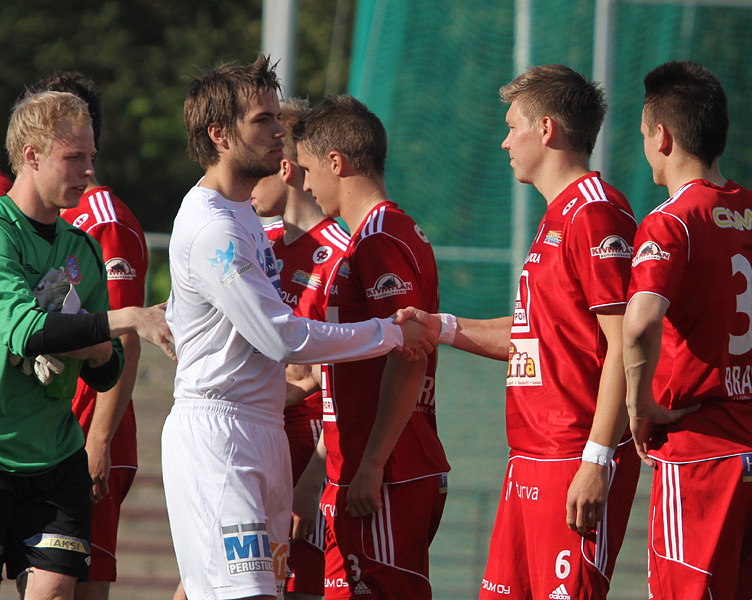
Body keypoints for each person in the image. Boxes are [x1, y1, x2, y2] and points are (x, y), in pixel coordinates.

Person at [162, 57, 436, 600]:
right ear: (219, 134)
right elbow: (282, 337)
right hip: (222, 437)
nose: (280, 131)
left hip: (262, 429)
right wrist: (390, 332)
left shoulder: (241, 213)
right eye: (262, 120)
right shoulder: (215, 226)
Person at [399, 64, 641, 600]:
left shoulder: (597, 214)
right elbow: (534, 335)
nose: (505, 140)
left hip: (572, 456)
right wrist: (440, 327)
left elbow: (627, 344)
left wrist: (597, 459)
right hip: (528, 455)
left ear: (548, 129)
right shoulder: (559, 216)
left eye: (513, 125)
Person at [623, 61, 752, 599]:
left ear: (662, 136)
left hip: (705, 456)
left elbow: (640, 320)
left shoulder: (672, 222)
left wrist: (639, 405)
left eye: (644, 134)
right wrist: (749, 382)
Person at [0, 90, 172, 600]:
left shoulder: (83, 248)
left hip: (57, 459)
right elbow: (27, 331)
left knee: (57, 594)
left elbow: (106, 370)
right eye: (73, 158)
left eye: (90, 158)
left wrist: (99, 348)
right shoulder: (3, 232)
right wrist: (123, 319)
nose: (86, 171)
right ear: (31, 155)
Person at [292, 95, 450, 600]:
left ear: (336, 163)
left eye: (309, 169)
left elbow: (410, 349)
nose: (308, 184)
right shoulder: (368, 238)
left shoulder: (380, 238)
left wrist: (373, 463)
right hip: (360, 469)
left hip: (387, 474)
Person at [27, 71, 148, 600]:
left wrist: (97, 441)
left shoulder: (102, 221)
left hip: (87, 432)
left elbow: (125, 334)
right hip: (44, 431)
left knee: (80, 589)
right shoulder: (36, 218)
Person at [251, 98, 344, 600]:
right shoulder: (257, 243)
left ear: (285, 167)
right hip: (255, 437)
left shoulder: (339, 254)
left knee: (297, 588)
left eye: (257, 168)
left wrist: (313, 477)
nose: (246, 183)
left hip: (306, 449)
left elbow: (329, 382)